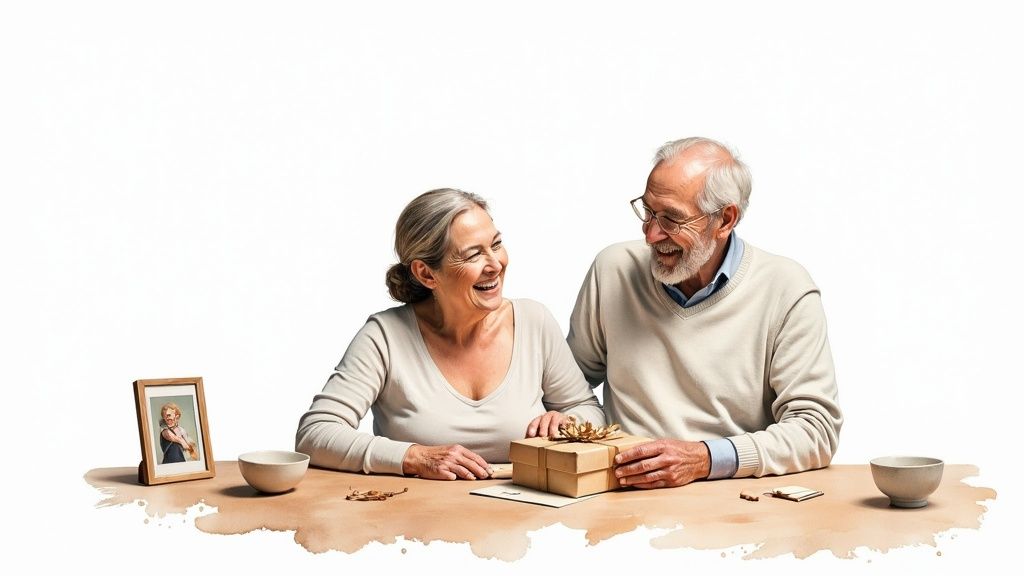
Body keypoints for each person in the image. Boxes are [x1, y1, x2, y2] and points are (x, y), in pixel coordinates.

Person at [568, 137, 842, 489]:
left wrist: (704, 459)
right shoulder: (613, 269)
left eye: (672, 219)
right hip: (621, 496)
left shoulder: (786, 288)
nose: (651, 235)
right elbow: (568, 387)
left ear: (725, 220)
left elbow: (814, 430)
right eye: (649, 212)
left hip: (733, 500)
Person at [296, 188, 604, 480]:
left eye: (496, 245)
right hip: (418, 523)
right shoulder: (385, 337)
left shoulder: (533, 321)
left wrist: (571, 423)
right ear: (426, 273)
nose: (495, 265)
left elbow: (587, 407)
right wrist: (414, 458)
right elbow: (316, 432)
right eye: (473, 255)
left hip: (521, 523)